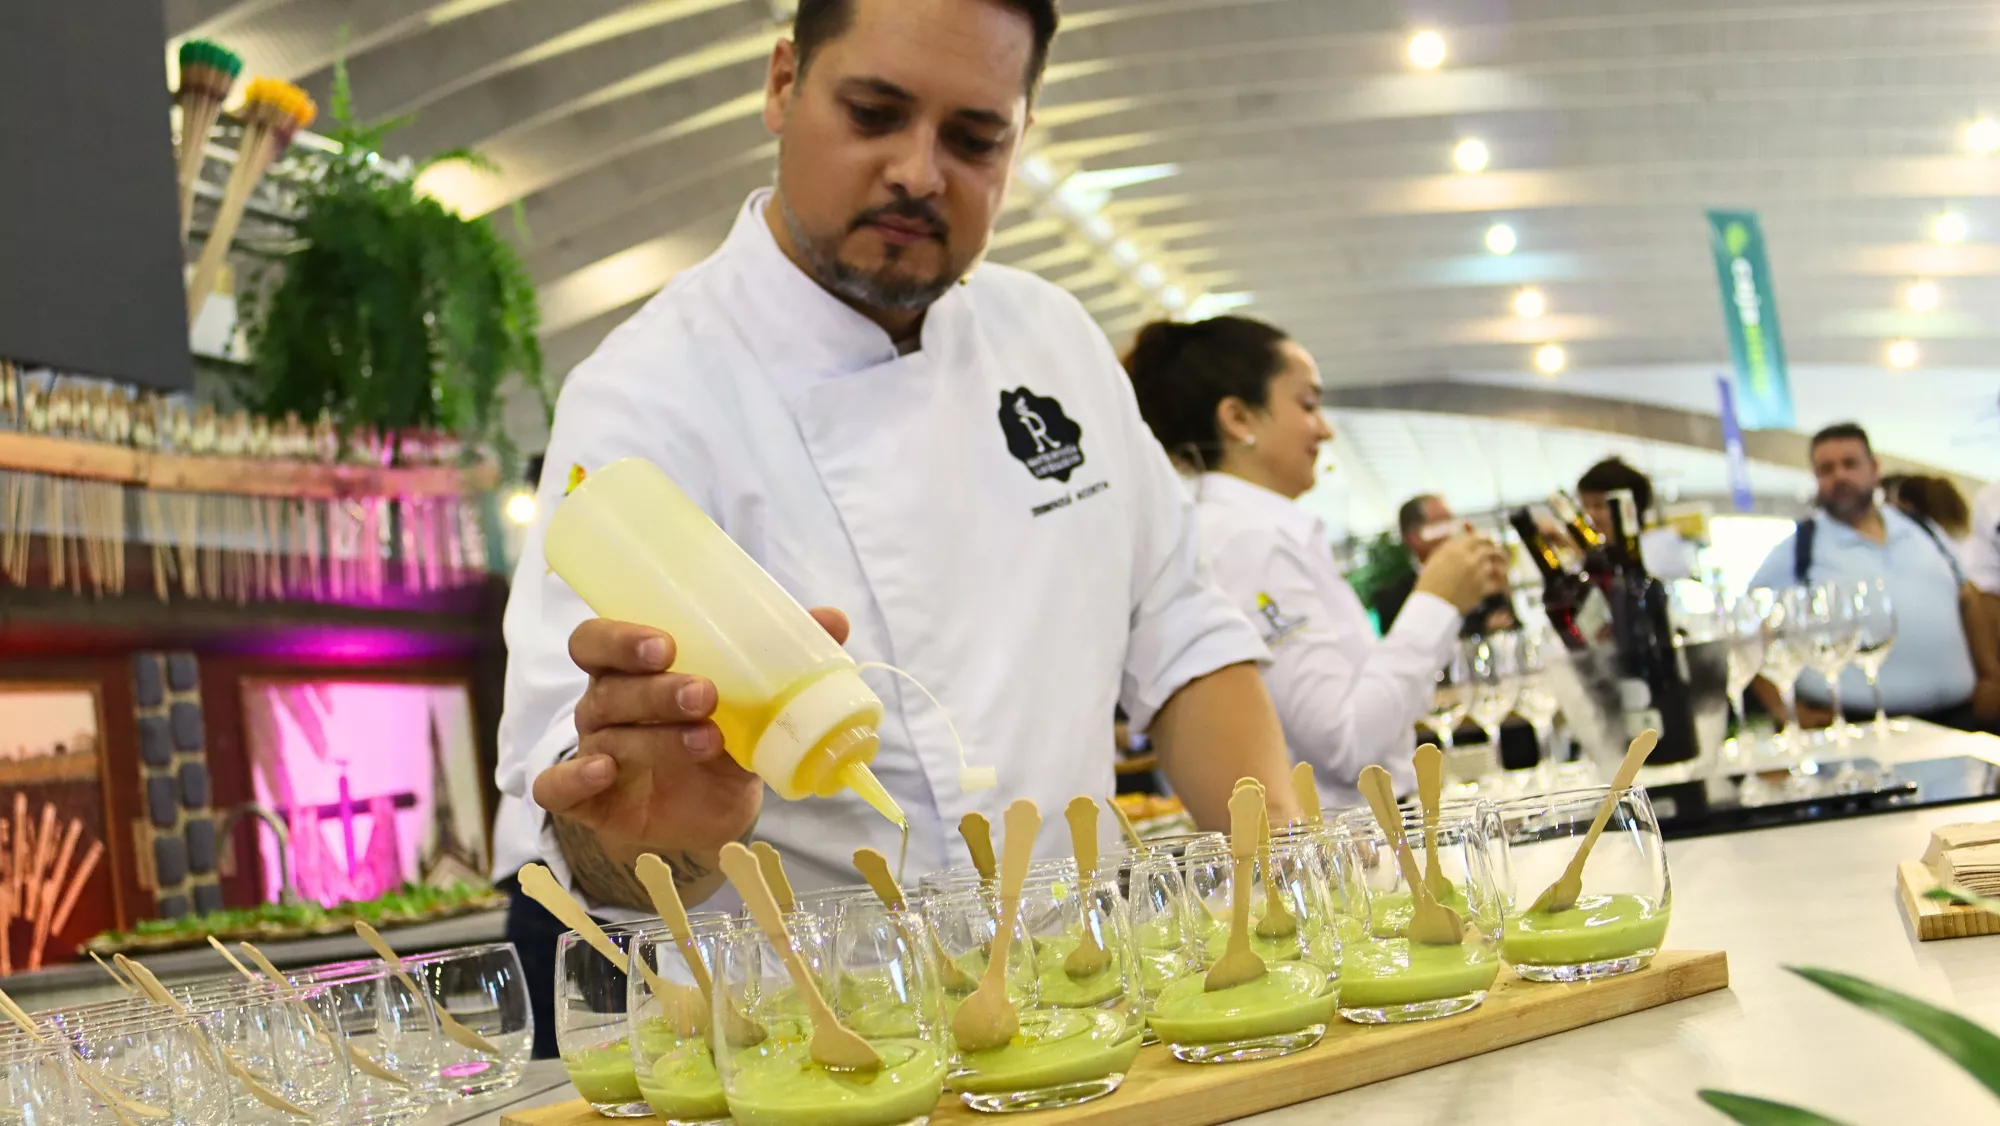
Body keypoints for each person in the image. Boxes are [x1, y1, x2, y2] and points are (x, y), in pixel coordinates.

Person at [494, 0, 1299, 1054]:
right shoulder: (645, 398)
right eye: (874, 113)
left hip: (1082, 1005)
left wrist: (1282, 883)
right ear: (783, 82)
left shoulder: (1048, 340)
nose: (920, 172)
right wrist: (650, 816)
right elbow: (589, 832)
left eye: (974, 139)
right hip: (807, 1040)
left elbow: (1184, 640)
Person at [1122, 316, 1509, 807]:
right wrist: (1435, 600)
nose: (1324, 430)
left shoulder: (1260, 533)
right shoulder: (1242, 540)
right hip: (1353, 853)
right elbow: (1347, 744)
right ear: (1239, 419)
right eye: (1307, 404)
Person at [1747, 423, 1981, 729]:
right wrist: (1784, 711)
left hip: (1961, 719)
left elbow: (1969, 598)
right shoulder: (1797, 549)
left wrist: (1992, 677)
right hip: (1860, 729)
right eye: (1826, 469)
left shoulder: (1922, 529)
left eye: (1850, 464)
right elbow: (1746, 633)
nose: (1840, 476)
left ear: (1873, 468)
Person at [1372, 494, 1516, 636]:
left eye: (1452, 521)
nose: (1454, 530)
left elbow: (1512, 626)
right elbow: (1405, 647)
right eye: (1442, 523)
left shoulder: (1482, 581)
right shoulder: (1392, 599)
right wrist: (1480, 629)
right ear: (1414, 537)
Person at [1576, 457, 1693, 580]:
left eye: (1598, 505)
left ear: (1629, 509)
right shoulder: (1596, 557)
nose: (1588, 516)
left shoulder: (1657, 550)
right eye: (1584, 506)